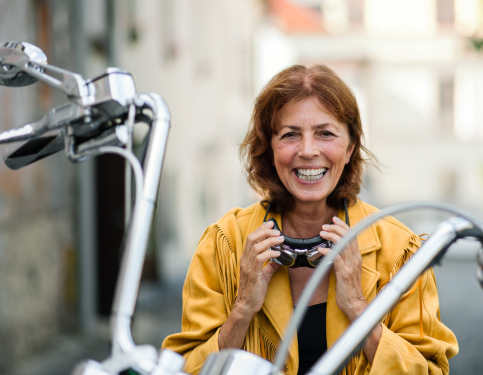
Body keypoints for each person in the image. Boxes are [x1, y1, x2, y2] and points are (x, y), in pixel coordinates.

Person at [162, 64, 458, 375]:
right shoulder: (223, 243)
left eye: (325, 133)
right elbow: (182, 370)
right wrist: (242, 311)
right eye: (290, 135)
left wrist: (358, 307)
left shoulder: (401, 250)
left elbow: (429, 371)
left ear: (350, 148)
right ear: (269, 149)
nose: (307, 150)